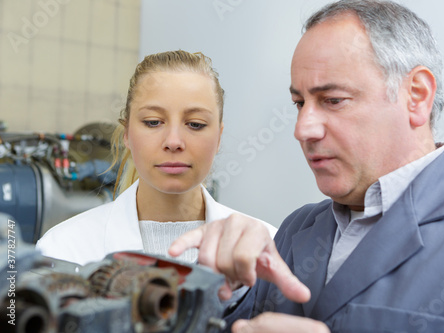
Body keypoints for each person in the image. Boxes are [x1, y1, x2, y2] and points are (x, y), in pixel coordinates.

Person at [168, 1, 444, 332]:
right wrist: (226, 291)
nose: (302, 129)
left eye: (333, 100)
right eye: (299, 103)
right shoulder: (297, 229)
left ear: (416, 96)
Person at [36, 50, 277, 266]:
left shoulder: (269, 247)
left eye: (195, 124)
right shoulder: (64, 250)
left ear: (219, 137)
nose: (173, 142)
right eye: (153, 122)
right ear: (127, 134)